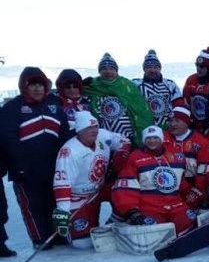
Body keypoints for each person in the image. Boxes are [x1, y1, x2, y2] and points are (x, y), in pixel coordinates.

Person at [0, 67, 72, 248]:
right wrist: (19, 165)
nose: (37, 89)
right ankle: (40, 238)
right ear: (24, 87)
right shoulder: (12, 108)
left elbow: (63, 133)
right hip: (25, 168)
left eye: (41, 84)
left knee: (53, 202)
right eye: (32, 85)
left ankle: (58, 235)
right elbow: (8, 138)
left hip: (53, 166)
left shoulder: (55, 105)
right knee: (33, 206)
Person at [52, 111, 130, 247]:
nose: (94, 131)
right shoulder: (69, 151)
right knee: (83, 244)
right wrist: (63, 212)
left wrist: (120, 156)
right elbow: (62, 184)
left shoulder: (103, 136)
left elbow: (124, 141)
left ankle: (113, 222)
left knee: (126, 189)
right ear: (79, 130)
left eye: (95, 127)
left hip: (101, 187)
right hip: (80, 198)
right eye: (89, 128)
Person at [112, 126, 197, 236]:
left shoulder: (176, 156)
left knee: (189, 224)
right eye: (148, 138)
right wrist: (131, 211)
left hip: (176, 206)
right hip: (150, 207)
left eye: (155, 137)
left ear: (161, 139)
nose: (152, 141)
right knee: (154, 232)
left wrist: (196, 196)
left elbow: (181, 184)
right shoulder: (136, 157)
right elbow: (126, 186)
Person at [84, 52, 154, 145]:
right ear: (99, 71)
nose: (108, 72)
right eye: (104, 69)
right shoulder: (92, 86)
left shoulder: (127, 85)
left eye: (111, 68)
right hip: (105, 137)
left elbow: (141, 109)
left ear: (116, 70)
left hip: (130, 136)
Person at [164, 106, 209, 209]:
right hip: (167, 183)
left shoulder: (201, 141)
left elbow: (204, 169)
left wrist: (198, 189)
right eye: (171, 120)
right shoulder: (162, 138)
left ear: (186, 122)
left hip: (192, 184)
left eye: (177, 121)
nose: (173, 124)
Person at [134, 49, 183, 128]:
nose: (153, 70)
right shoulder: (136, 84)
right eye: (149, 67)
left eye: (156, 67)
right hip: (145, 127)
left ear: (160, 68)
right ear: (144, 69)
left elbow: (179, 106)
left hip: (168, 127)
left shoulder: (170, 84)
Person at [182, 47, 209, 134]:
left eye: (202, 66)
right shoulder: (191, 80)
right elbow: (185, 102)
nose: (198, 68)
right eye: (196, 65)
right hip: (194, 127)